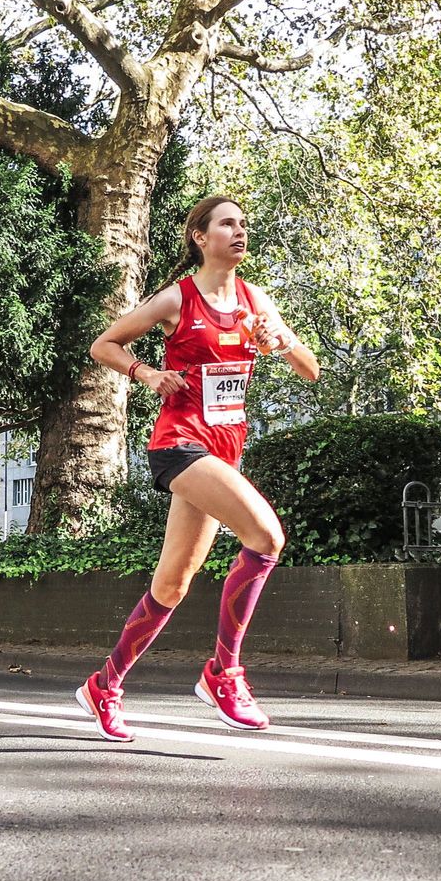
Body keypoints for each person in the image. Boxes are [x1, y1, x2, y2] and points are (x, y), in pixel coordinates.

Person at [75, 195, 319, 742]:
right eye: (227, 223)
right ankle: (223, 673)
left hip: (222, 451)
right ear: (199, 237)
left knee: (173, 584)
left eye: (244, 223)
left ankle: (104, 685)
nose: (240, 231)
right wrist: (147, 374)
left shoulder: (257, 302)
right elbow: (104, 344)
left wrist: (279, 342)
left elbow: (311, 370)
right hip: (180, 445)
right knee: (266, 536)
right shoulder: (177, 299)